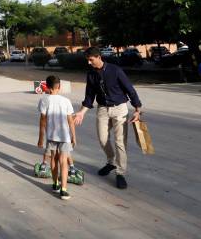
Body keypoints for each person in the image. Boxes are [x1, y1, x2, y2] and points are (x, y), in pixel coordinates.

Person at [74, 46, 143, 190]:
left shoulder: (115, 70)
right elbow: (89, 96)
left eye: (91, 60)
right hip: (103, 109)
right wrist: (81, 112)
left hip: (120, 109)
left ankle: (120, 173)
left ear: (99, 57)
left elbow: (130, 89)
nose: (89, 63)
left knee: (120, 142)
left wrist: (137, 109)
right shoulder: (91, 74)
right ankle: (111, 161)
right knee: (103, 139)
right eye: (87, 60)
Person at [37, 75, 76, 200]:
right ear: (59, 86)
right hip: (64, 136)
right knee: (63, 161)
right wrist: (74, 136)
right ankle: (64, 190)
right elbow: (70, 121)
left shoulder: (44, 100)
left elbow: (43, 120)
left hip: (51, 135)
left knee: (53, 157)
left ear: (47, 87)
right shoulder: (66, 101)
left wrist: (40, 138)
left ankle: (55, 184)